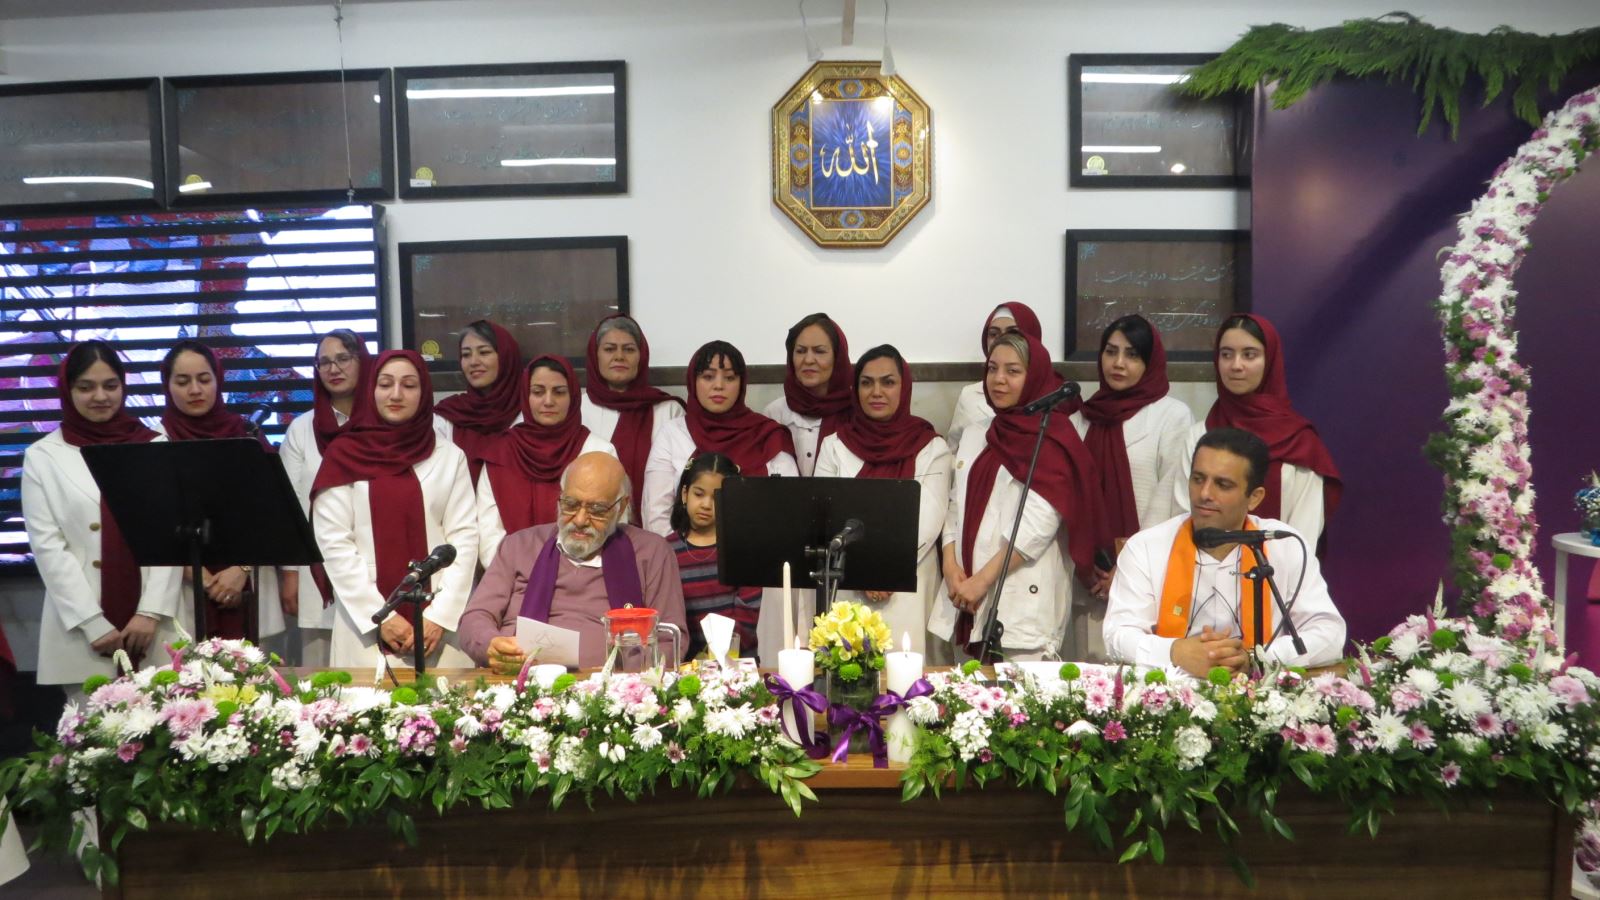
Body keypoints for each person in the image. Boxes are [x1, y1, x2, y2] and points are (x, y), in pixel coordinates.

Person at [1105, 427, 1346, 676]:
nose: (1205, 494)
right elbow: (1118, 634)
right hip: (1171, 689)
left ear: (1254, 498)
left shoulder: (1283, 545)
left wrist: (1256, 658)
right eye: (1198, 479)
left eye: (1223, 484)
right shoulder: (1147, 547)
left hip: (1258, 691)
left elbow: (1329, 634)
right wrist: (1175, 652)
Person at [931, 332, 1106, 661]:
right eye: (992, 368)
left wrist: (981, 581)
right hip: (964, 596)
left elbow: (1037, 526)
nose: (998, 379)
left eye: (1013, 371)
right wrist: (951, 566)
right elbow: (956, 505)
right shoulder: (976, 433)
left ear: (1034, 376)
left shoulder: (1053, 437)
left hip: (1020, 602)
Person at [22, 341, 182, 695]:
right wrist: (92, 622)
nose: (100, 396)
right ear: (67, 390)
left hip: (154, 628)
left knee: (171, 723)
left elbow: (170, 536)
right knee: (92, 728)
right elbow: (49, 549)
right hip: (83, 632)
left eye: (110, 385)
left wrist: (150, 612)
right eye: (86, 387)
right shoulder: (43, 456)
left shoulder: (154, 446)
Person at [311, 350, 478, 669]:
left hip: (436, 624)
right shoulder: (342, 455)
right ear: (370, 389)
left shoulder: (449, 456)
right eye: (385, 384)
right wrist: (381, 616)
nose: (396, 394)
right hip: (365, 622)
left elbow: (464, 539)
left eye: (409, 385)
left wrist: (440, 616)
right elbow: (334, 542)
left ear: (424, 393)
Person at [460, 452, 688, 672]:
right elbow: (475, 617)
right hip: (520, 682)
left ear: (621, 507)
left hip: (613, 689)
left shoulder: (651, 552)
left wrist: (629, 682)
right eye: (570, 504)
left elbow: (671, 639)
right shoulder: (519, 546)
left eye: (597, 510)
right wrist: (491, 644)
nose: (579, 520)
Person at [809, 344, 951, 657]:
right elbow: (825, 514)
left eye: (888, 382)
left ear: (904, 386)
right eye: (866, 382)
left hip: (908, 582)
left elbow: (928, 520)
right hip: (849, 581)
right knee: (848, 669)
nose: (876, 392)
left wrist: (885, 571)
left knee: (908, 674)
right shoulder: (835, 445)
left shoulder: (930, 447)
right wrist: (866, 572)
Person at [1069, 315, 1193, 657]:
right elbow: (1074, 498)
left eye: (1132, 354)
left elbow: (1170, 500)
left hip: (1145, 572)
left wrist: (1124, 568)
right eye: (1111, 352)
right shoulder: (1082, 418)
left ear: (1150, 362)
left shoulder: (1172, 416)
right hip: (1085, 575)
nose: (1118, 363)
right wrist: (1088, 566)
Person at [1175, 314, 1341, 546]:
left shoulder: (1300, 442)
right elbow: (1184, 517)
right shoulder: (1200, 434)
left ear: (1269, 360)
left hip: (1278, 567)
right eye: (1226, 354)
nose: (1236, 365)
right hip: (1202, 565)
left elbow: (1302, 536)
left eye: (1249, 355)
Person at [158, 340, 285, 643]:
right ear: (167, 386)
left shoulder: (246, 437)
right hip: (184, 589)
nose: (195, 390)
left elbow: (275, 510)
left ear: (218, 380)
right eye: (183, 381)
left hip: (248, 586)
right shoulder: (156, 442)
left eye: (204, 379)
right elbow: (153, 524)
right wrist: (201, 576)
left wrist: (241, 569)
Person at [279, 328, 370, 667]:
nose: (334, 369)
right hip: (315, 569)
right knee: (318, 675)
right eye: (324, 362)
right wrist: (290, 572)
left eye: (343, 358)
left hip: (372, 565)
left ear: (363, 362)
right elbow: (290, 504)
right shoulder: (302, 429)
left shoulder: (383, 424)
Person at [642, 340, 799, 536]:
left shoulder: (768, 435)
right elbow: (656, 516)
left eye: (730, 378)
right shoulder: (672, 434)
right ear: (693, 381)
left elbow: (789, 510)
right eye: (708, 377)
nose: (719, 386)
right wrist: (686, 552)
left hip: (758, 551)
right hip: (682, 553)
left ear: (741, 383)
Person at [476, 355, 616, 566]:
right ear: (525, 396)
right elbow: (489, 534)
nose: (548, 401)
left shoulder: (599, 452)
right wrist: (519, 574)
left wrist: (568, 574)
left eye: (559, 392)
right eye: (538, 392)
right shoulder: (500, 453)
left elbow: (610, 524)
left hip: (582, 576)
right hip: (514, 577)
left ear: (573, 396)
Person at [580, 314, 684, 524]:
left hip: (658, 529)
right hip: (589, 527)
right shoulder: (578, 409)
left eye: (629, 349)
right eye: (609, 349)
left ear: (641, 356)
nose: (619, 356)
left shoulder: (668, 410)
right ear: (595, 355)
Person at [664, 453, 763, 662]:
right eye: (699, 494)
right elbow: (666, 616)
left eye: (716, 496)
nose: (706, 505)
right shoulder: (665, 550)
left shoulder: (742, 548)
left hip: (736, 664)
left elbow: (747, 619)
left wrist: (715, 658)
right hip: (685, 666)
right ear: (685, 494)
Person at [946, 302, 1047, 451]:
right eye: (994, 334)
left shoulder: (1059, 400)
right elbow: (954, 452)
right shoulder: (969, 395)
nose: (1002, 340)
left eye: (1013, 333)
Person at [434, 319, 524, 483]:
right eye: (466, 355)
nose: (474, 362)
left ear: (505, 357)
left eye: (484, 352)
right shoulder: (447, 416)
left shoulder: (530, 413)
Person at [763, 313, 851, 476]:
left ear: (838, 357)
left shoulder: (855, 413)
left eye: (819, 351)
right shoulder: (774, 414)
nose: (808, 359)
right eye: (801, 351)